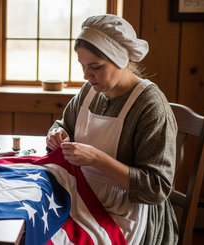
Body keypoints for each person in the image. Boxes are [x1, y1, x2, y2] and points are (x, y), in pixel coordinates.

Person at [46, 14, 178, 244]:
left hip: (128, 213)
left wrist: (97, 158)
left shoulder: (150, 105)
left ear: (121, 60)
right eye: (83, 66)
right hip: (82, 195)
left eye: (95, 67)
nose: (86, 75)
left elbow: (155, 189)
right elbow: (63, 124)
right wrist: (56, 134)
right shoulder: (90, 91)